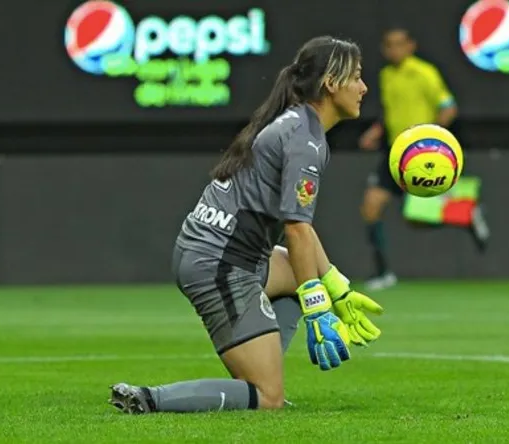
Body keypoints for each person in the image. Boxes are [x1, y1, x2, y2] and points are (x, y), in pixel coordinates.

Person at [108, 36, 384, 414]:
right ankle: (149, 398)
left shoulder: (295, 123)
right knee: (267, 399)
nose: (364, 87)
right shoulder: (304, 140)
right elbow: (297, 229)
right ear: (331, 83)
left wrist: (338, 288)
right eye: (356, 76)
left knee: (295, 277)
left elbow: (302, 229)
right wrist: (319, 308)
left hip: (227, 253)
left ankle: (260, 360)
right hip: (220, 264)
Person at [359, 27, 487, 291]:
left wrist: (432, 139)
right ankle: (383, 273)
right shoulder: (386, 76)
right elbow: (392, 112)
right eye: (389, 45)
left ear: (411, 46)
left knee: (416, 219)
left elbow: (448, 108)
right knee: (370, 207)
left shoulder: (424, 73)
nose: (394, 50)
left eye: (399, 44)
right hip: (395, 152)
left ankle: (465, 212)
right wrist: (376, 131)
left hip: (421, 154)